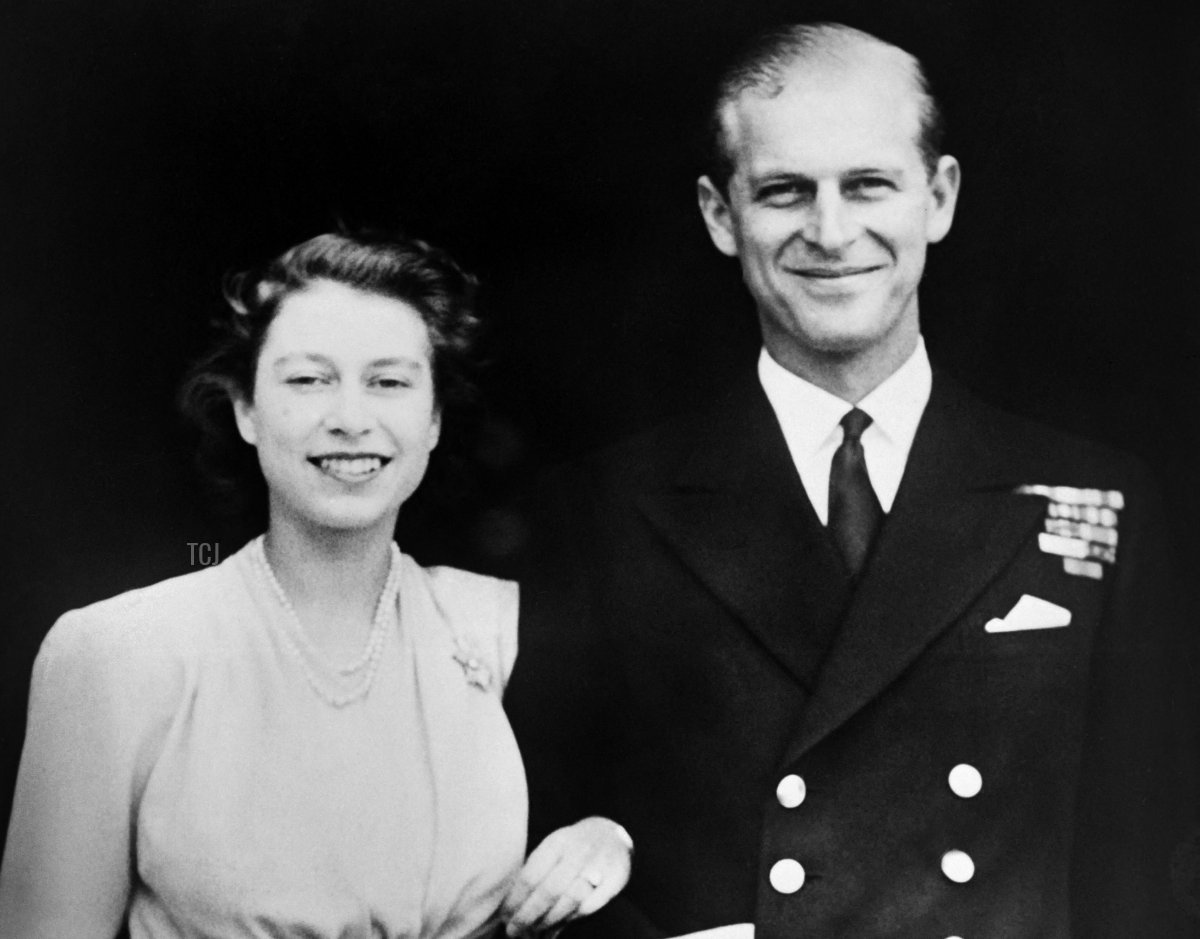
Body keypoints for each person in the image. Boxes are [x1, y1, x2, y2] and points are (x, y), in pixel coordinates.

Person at [504, 22, 1197, 939]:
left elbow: (1144, 857)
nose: (831, 233)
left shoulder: (1098, 497)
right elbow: (539, 850)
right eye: (786, 191)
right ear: (721, 215)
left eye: (869, 184)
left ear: (938, 198)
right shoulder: (601, 511)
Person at [0, 232, 632, 938]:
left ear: (432, 420)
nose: (351, 418)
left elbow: (643, 813)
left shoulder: (496, 625)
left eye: (389, 381)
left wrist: (608, 837)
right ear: (246, 408)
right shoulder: (115, 654)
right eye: (309, 379)